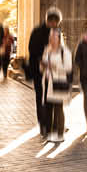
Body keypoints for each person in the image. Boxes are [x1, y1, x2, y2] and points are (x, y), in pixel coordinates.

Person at [27, 8, 62, 139]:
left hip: (52, 70)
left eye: (56, 22)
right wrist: (41, 60)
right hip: (39, 70)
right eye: (52, 21)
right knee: (40, 97)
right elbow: (32, 50)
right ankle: (43, 124)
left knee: (51, 97)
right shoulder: (37, 31)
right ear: (47, 20)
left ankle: (51, 125)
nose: (54, 24)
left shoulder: (57, 31)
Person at [40, 26, 73, 142]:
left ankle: (60, 134)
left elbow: (68, 68)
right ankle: (50, 133)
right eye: (50, 36)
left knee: (58, 109)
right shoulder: (47, 50)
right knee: (49, 109)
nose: (52, 39)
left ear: (59, 38)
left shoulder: (65, 51)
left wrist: (53, 66)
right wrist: (43, 66)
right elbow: (43, 66)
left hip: (59, 83)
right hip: (48, 83)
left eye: (54, 36)